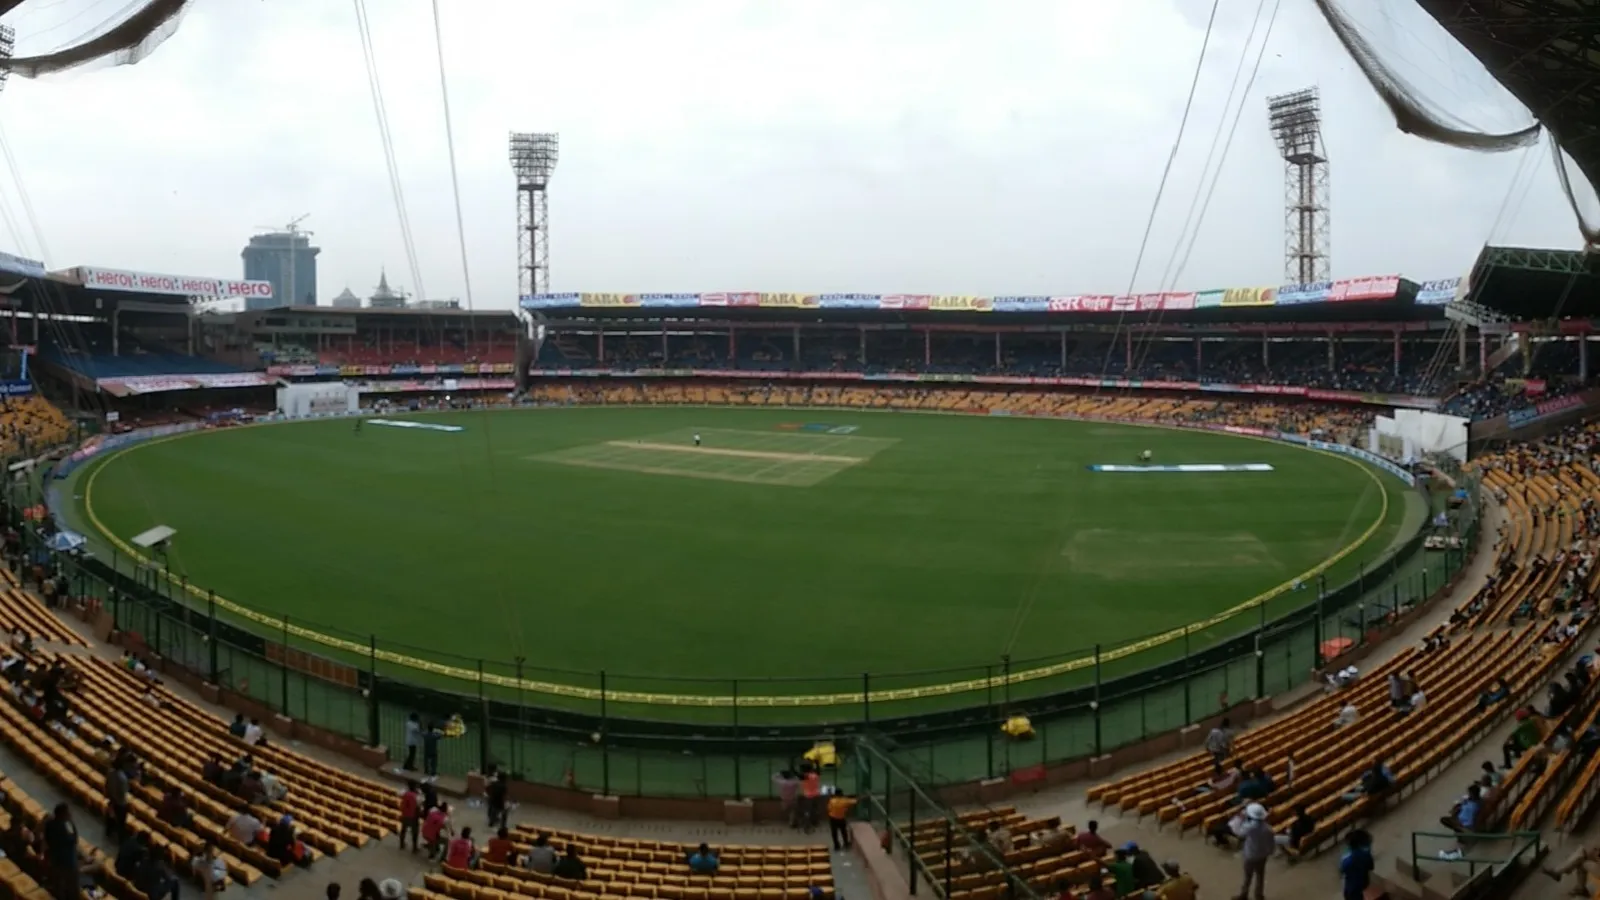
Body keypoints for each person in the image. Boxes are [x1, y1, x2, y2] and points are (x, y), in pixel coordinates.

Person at [1237, 802, 1274, 900]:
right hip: (1262, 855)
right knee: (1260, 876)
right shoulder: (1268, 828)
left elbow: (1240, 833)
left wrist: (1242, 819)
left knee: (1248, 877)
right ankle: (1259, 895)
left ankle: (1244, 895)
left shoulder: (1249, 827)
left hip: (1251, 855)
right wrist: (1270, 851)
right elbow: (1271, 843)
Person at [43, 803, 78, 900]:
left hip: (55, 858)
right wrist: (71, 824)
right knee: (71, 886)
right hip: (68, 861)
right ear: (63, 814)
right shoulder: (67, 826)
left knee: (58, 884)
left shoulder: (49, 824)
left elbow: (47, 838)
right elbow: (74, 839)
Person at [1340, 830, 1375, 900]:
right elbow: (1371, 867)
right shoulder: (1366, 855)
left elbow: (1342, 870)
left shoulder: (1346, 859)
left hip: (1350, 889)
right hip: (1363, 885)